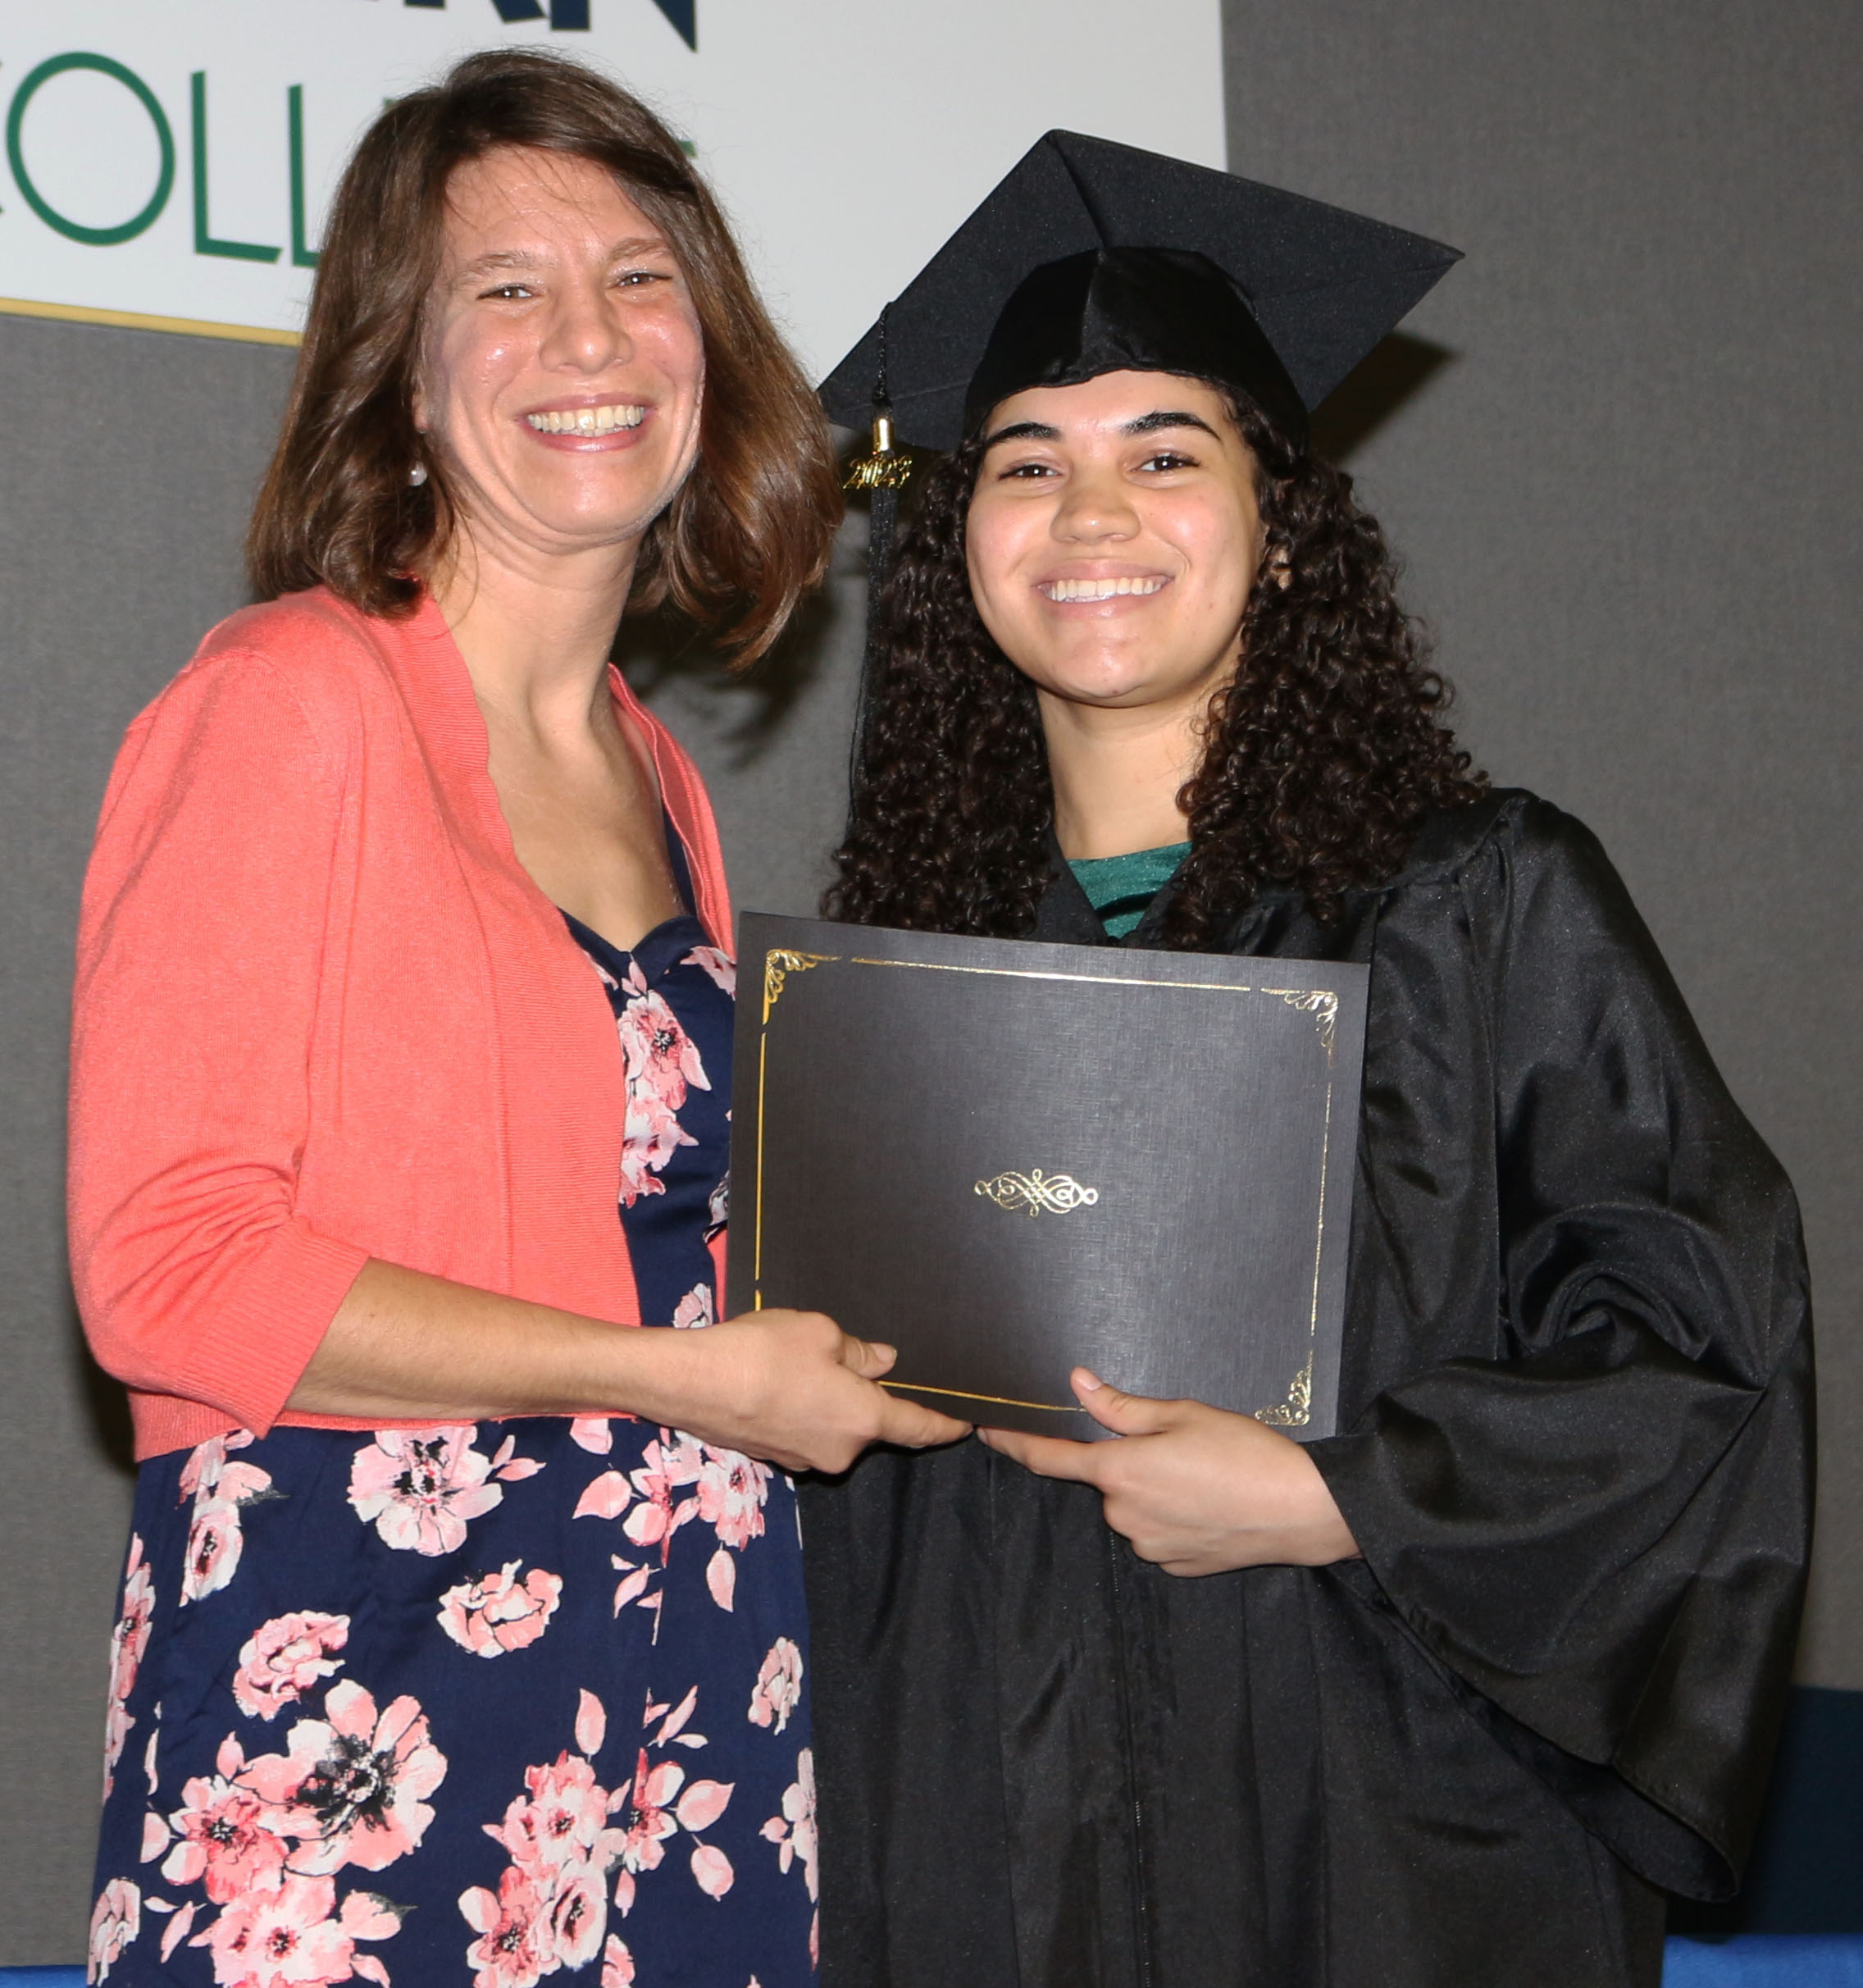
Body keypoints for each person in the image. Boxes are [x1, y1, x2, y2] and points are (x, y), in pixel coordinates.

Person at [803, 132, 1812, 1988]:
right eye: (1025, 464)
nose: (1089, 516)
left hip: (1383, 1808)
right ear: (956, 547)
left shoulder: (1476, 901)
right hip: (973, 1815)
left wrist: (1341, 1491)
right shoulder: (889, 984)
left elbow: (1696, 1339)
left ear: (1279, 531)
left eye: (1163, 456)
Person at [70, 49, 962, 1988]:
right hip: (361, 1715)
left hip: (689, 1685)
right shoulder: (286, 702)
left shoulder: (667, 781)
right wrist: (675, 1378)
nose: (592, 337)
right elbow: (167, 1270)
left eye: (641, 277)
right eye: (506, 288)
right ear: (401, 369)